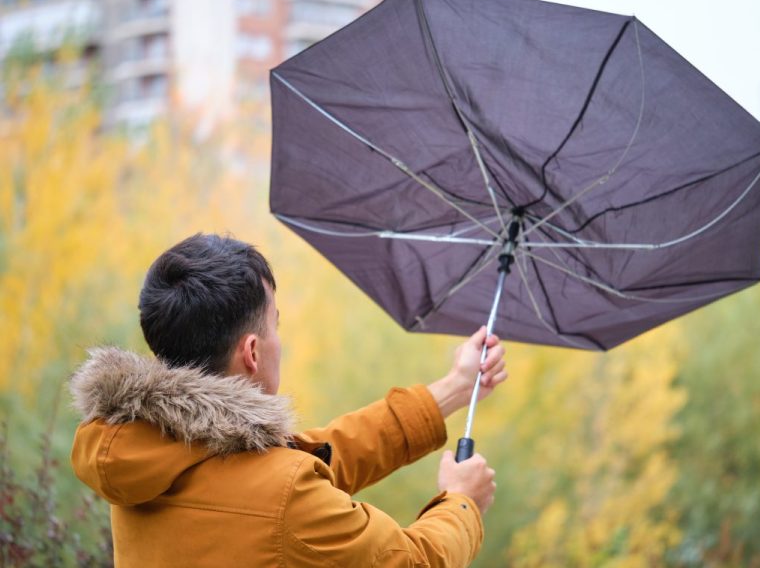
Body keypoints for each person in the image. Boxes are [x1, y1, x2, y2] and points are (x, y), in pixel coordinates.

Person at [70, 233, 507, 567]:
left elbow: (318, 454)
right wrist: (461, 502)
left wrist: (455, 387)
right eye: (275, 325)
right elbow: (414, 560)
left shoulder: (137, 449)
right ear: (253, 352)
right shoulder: (285, 495)